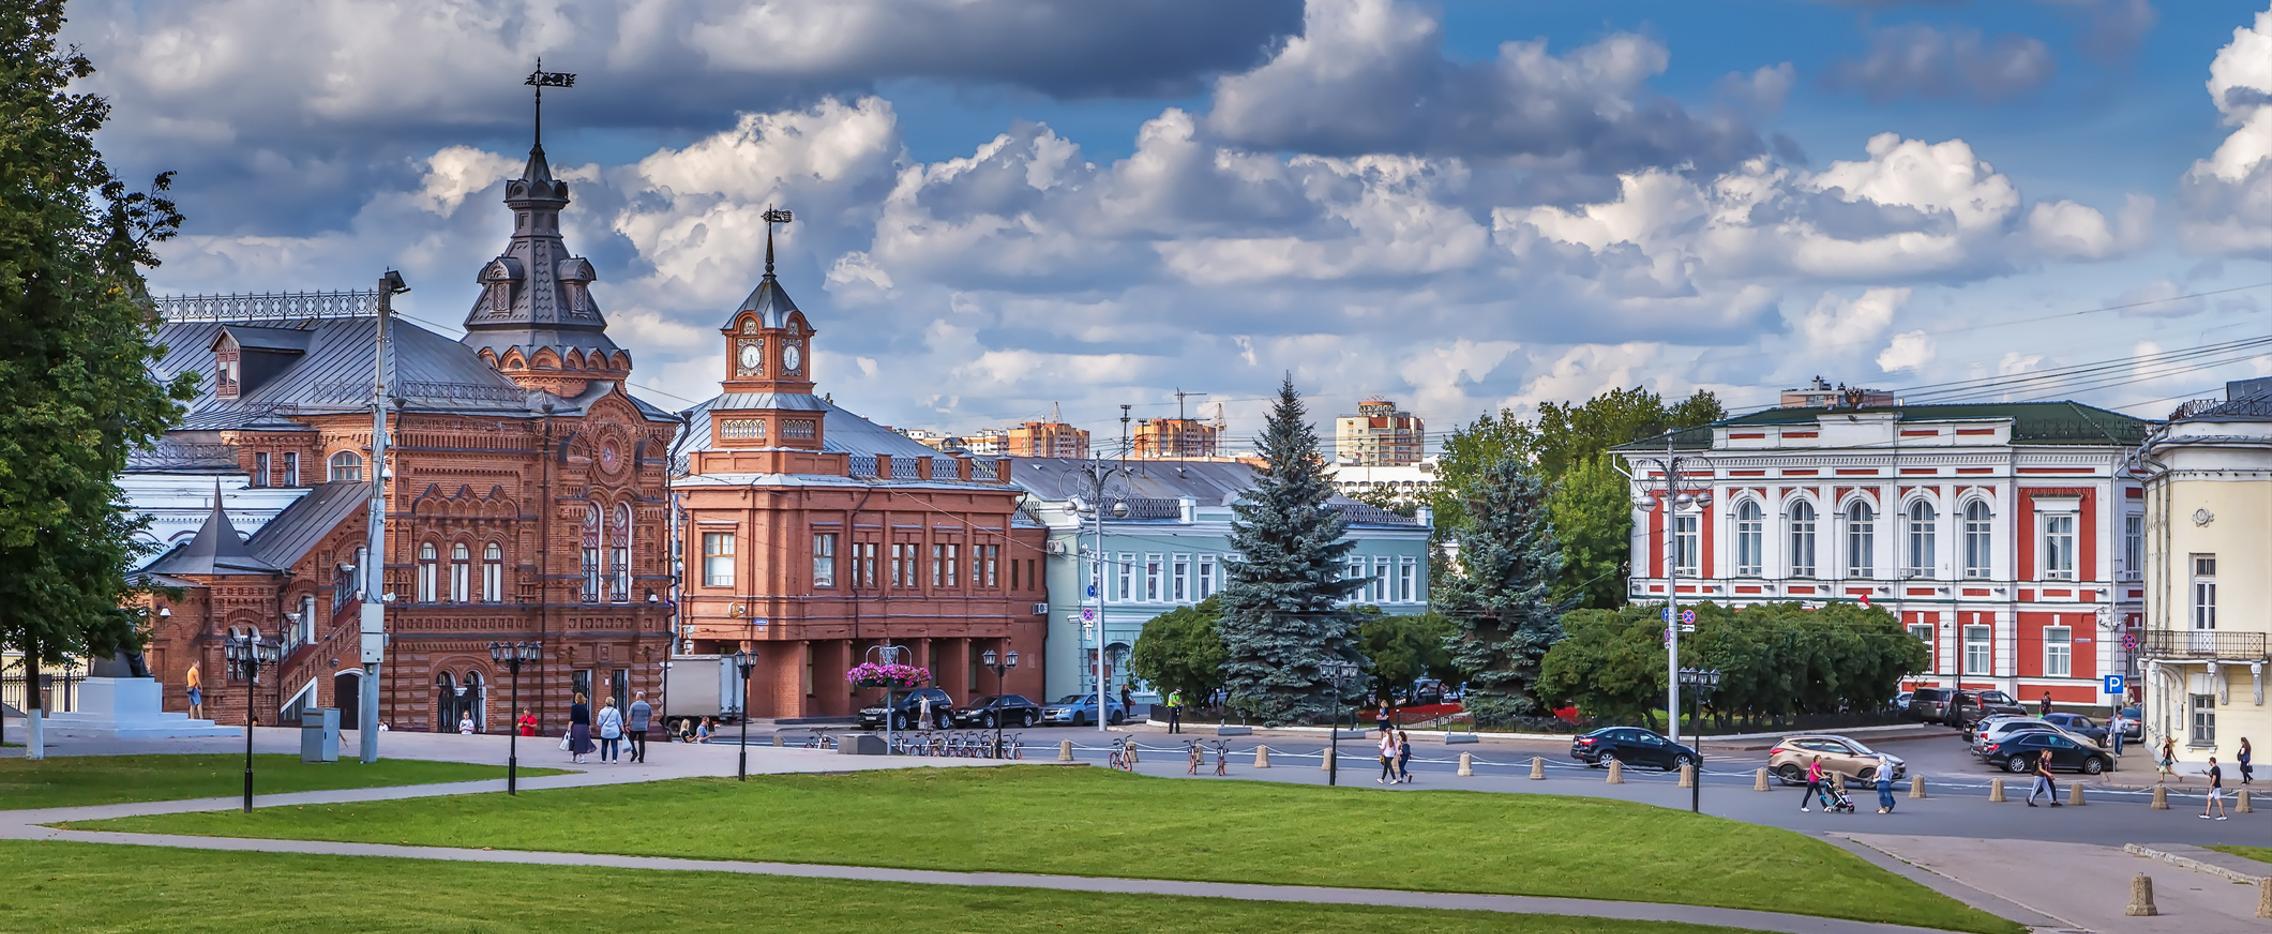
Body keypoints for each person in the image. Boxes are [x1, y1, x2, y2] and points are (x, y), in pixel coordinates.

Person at [567, 692, 594, 764]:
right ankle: (575, 757)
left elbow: (572, 719)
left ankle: (580, 757)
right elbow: (587, 719)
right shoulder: (585, 707)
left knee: (576, 742)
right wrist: (589, 728)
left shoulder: (574, 707)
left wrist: (569, 727)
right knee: (581, 742)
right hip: (584, 727)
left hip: (576, 727)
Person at [596, 696, 624, 763]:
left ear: (606, 702)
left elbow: (599, 723)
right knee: (614, 746)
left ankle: (603, 760)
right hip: (614, 731)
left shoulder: (602, 711)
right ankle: (614, 759)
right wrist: (622, 729)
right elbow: (619, 722)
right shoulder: (616, 711)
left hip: (605, 731)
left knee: (604, 746)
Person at [627, 691, 653, 764]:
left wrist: (627, 724)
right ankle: (641, 759)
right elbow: (650, 716)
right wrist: (648, 724)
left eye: (636, 696)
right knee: (642, 742)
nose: (636, 697)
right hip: (643, 726)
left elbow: (629, 716)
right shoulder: (647, 706)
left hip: (634, 726)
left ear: (638, 697)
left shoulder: (634, 705)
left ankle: (634, 752)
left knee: (630, 739)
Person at [2202, 756, 2229, 821]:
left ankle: (2207, 814)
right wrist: (2206, 773)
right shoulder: (2215, 768)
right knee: (2216, 800)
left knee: (2210, 799)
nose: (2209, 763)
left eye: (2209, 762)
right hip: (2216, 786)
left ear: (2212, 762)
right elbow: (2211, 775)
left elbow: (2214, 778)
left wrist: (2211, 786)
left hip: (2214, 787)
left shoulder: (2215, 769)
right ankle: (2222, 815)